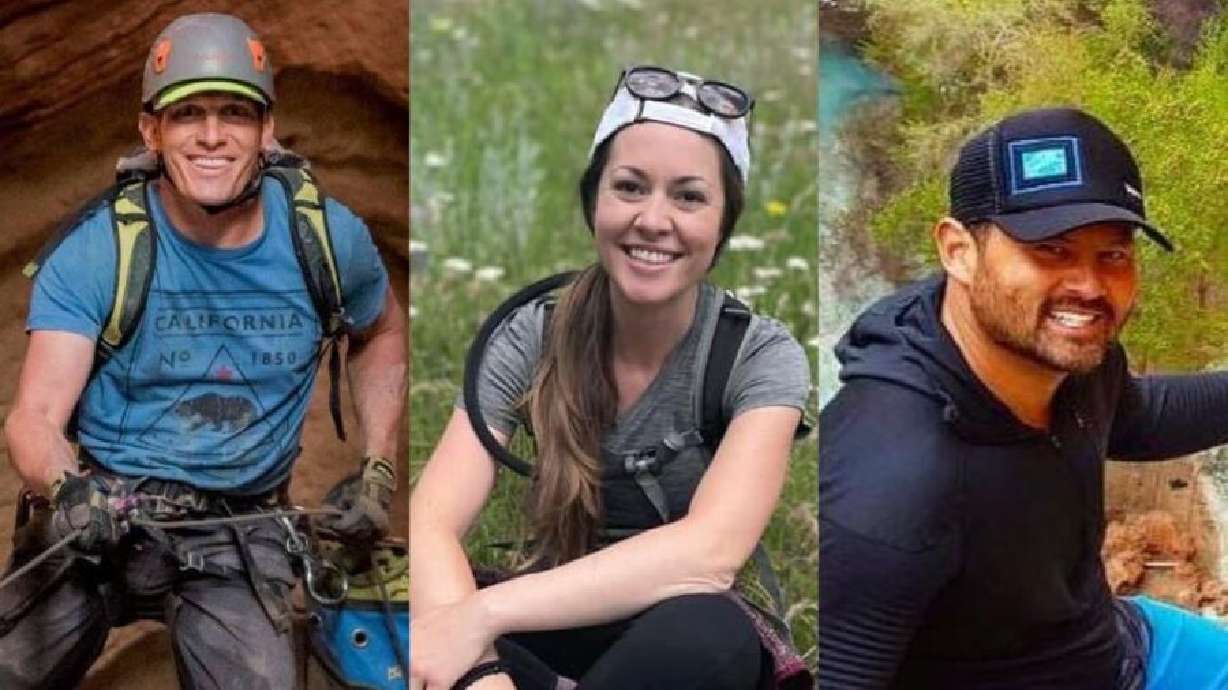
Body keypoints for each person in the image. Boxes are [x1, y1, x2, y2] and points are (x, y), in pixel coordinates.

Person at [0, 12, 406, 690]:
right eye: (188, 114)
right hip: (101, 512)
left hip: (242, 528)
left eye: (235, 114)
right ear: (151, 131)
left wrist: (378, 472)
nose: (212, 136)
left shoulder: (329, 243)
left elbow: (382, 333)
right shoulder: (101, 249)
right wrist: (68, 492)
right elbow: (33, 417)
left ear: (266, 130)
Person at [409, 65, 812, 690]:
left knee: (705, 635)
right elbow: (431, 519)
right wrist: (482, 669)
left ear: (724, 225)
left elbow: (709, 554)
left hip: (688, 635)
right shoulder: (530, 334)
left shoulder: (760, 356)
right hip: (551, 615)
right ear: (592, 201)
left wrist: (480, 617)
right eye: (629, 187)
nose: (653, 220)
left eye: (688, 196)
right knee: (406, 623)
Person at [818, 107, 1228, 690]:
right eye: (1051, 251)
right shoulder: (891, 488)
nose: (1088, 286)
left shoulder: (1065, 357)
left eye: (1112, 254)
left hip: (1113, 649)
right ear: (958, 249)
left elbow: (1135, 416)